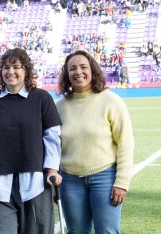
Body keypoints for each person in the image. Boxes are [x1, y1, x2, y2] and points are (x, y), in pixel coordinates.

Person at [0, 48, 62, 234]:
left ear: (26, 71)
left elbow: (52, 135)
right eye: (6, 67)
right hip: (0, 182)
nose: (10, 71)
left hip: (35, 182)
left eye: (16, 67)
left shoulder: (41, 97)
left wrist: (52, 168)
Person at [56, 50, 134, 233]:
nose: (78, 72)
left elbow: (126, 143)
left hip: (105, 178)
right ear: (67, 74)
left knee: (107, 230)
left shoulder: (111, 101)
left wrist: (121, 182)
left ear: (93, 69)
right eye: (72, 68)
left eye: (83, 67)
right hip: (69, 180)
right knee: (76, 231)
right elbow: (53, 147)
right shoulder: (58, 107)